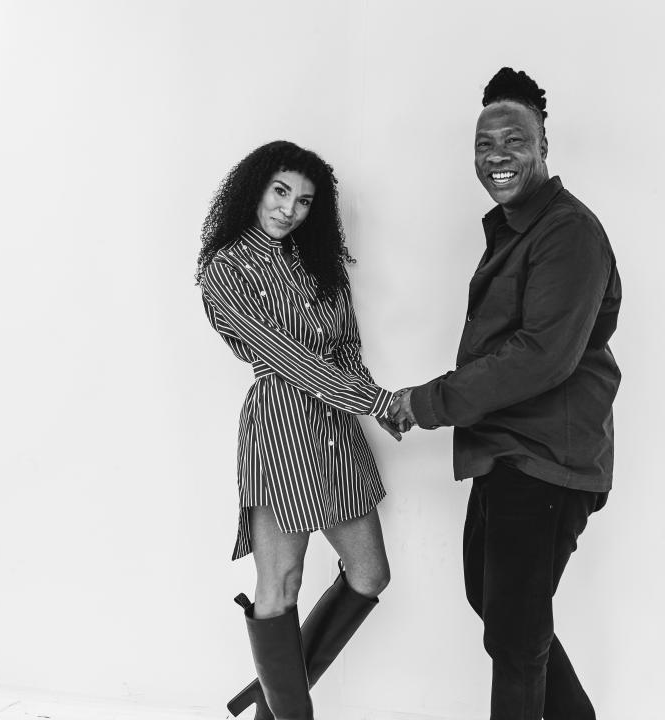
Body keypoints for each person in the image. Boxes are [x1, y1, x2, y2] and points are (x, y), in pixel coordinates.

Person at [389, 68, 622, 720]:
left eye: (513, 139)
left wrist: (426, 403)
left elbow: (539, 357)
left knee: (516, 638)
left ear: (544, 146)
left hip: (546, 456)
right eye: (484, 141)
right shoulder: (518, 229)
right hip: (505, 450)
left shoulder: (567, 232)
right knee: (498, 610)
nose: (496, 154)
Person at [196, 140, 403, 720]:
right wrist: (375, 397)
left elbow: (345, 352)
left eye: (305, 201)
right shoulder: (226, 270)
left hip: (336, 429)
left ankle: (270, 695)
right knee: (280, 583)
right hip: (280, 427)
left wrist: (384, 407)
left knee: (369, 574)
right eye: (280, 192)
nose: (289, 210)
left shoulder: (320, 266)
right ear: (255, 189)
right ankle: (288, 711)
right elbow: (291, 360)